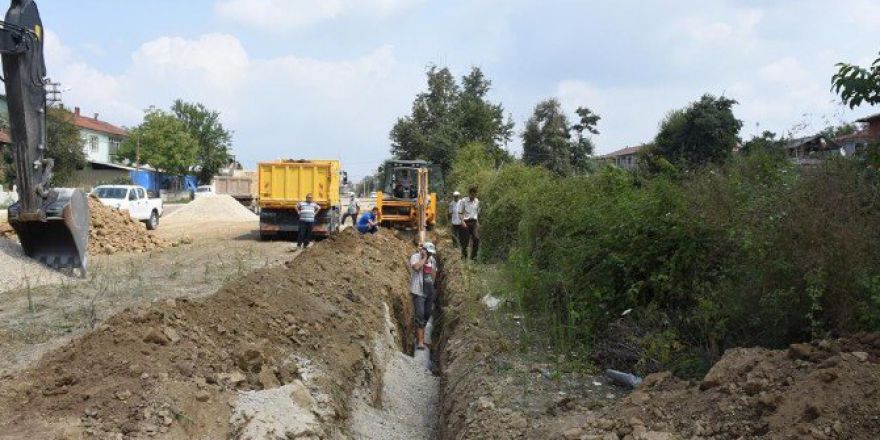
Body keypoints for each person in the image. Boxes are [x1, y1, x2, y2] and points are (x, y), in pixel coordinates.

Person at [409, 243, 429, 350]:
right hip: (418, 291)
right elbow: (416, 267)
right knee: (420, 316)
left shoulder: (432, 260)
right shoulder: (415, 257)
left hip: (428, 292)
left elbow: (434, 275)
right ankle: (420, 342)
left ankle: (422, 336)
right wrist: (424, 258)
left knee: (427, 315)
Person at [459, 186, 480, 260]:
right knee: (465, 241)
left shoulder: (477, 201)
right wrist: (462, 222)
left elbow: (476, 212)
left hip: (474, 222)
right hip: (466, 222)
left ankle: (474, 257)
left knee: (476, 238)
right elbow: (460, 213)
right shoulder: (463, 201)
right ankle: (464, 256)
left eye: (475, 194)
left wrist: (477, 222)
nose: (473, 196)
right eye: (472, 194)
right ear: (469, 193)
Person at [422, 242, 438, 323]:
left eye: (431, 253)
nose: (430, 254)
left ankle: (424, 324)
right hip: (419, 288)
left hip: (429, 288)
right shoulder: (418, 258)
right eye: (428, 252)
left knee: (427, 312)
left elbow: (434, 274)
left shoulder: (433, 261)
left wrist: (431, 285)